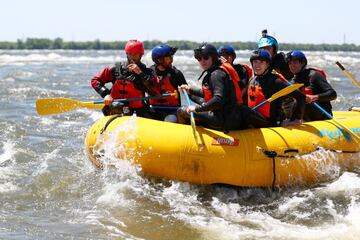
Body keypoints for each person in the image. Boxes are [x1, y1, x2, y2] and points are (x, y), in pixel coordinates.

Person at [177, 43, 239, 131]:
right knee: (193, 96)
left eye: (206, 57)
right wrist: (189, 90)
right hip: (224, 114)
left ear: (213, 58)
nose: (202, 61)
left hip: (221, 119)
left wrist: (197, 109)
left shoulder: (216, 74)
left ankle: (187, 135)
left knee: (182, 111)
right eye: (199, 58)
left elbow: (218, 99)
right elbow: (209, 92)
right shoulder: (216, 71)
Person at [90, 40, 156, 117]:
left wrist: (140, 73)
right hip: (117, 107)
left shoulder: (146, 71)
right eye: (130, 54)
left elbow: (152, 90)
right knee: (117, 106)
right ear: (126, 54)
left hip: (138, 109)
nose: (132, 57)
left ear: (141, 55)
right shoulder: (116, 69)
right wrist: (106, 95)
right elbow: (95, 80)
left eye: (135, 54)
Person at [243, 49, 305, 126]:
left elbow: (301, 97)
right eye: (255, 62)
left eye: (261, 62)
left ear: (267, 65)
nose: (257, 65)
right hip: (254, 119)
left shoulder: (275, 81)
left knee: (244, 111)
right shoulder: (252, 80)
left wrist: (296, 119)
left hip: (270, 123)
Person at [286, 50, 337, 121]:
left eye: (295, 62)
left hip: (322, 116)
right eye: (290, 63)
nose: (292, 66)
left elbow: (333, 94)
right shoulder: (293, 81)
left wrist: (314, 97)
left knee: (301, 100)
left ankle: (294, 121)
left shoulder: (314, 75)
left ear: (302, 63)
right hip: (306, 117)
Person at [149, 45, 187, 122]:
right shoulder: (149, 73)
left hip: (172, 110)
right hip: (154, 109)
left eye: (171, 58)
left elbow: (187, 93)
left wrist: (185, 88)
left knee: (170, 119)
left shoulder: (176, 74)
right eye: (168, 58)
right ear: (159, 60)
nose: (171, 61)